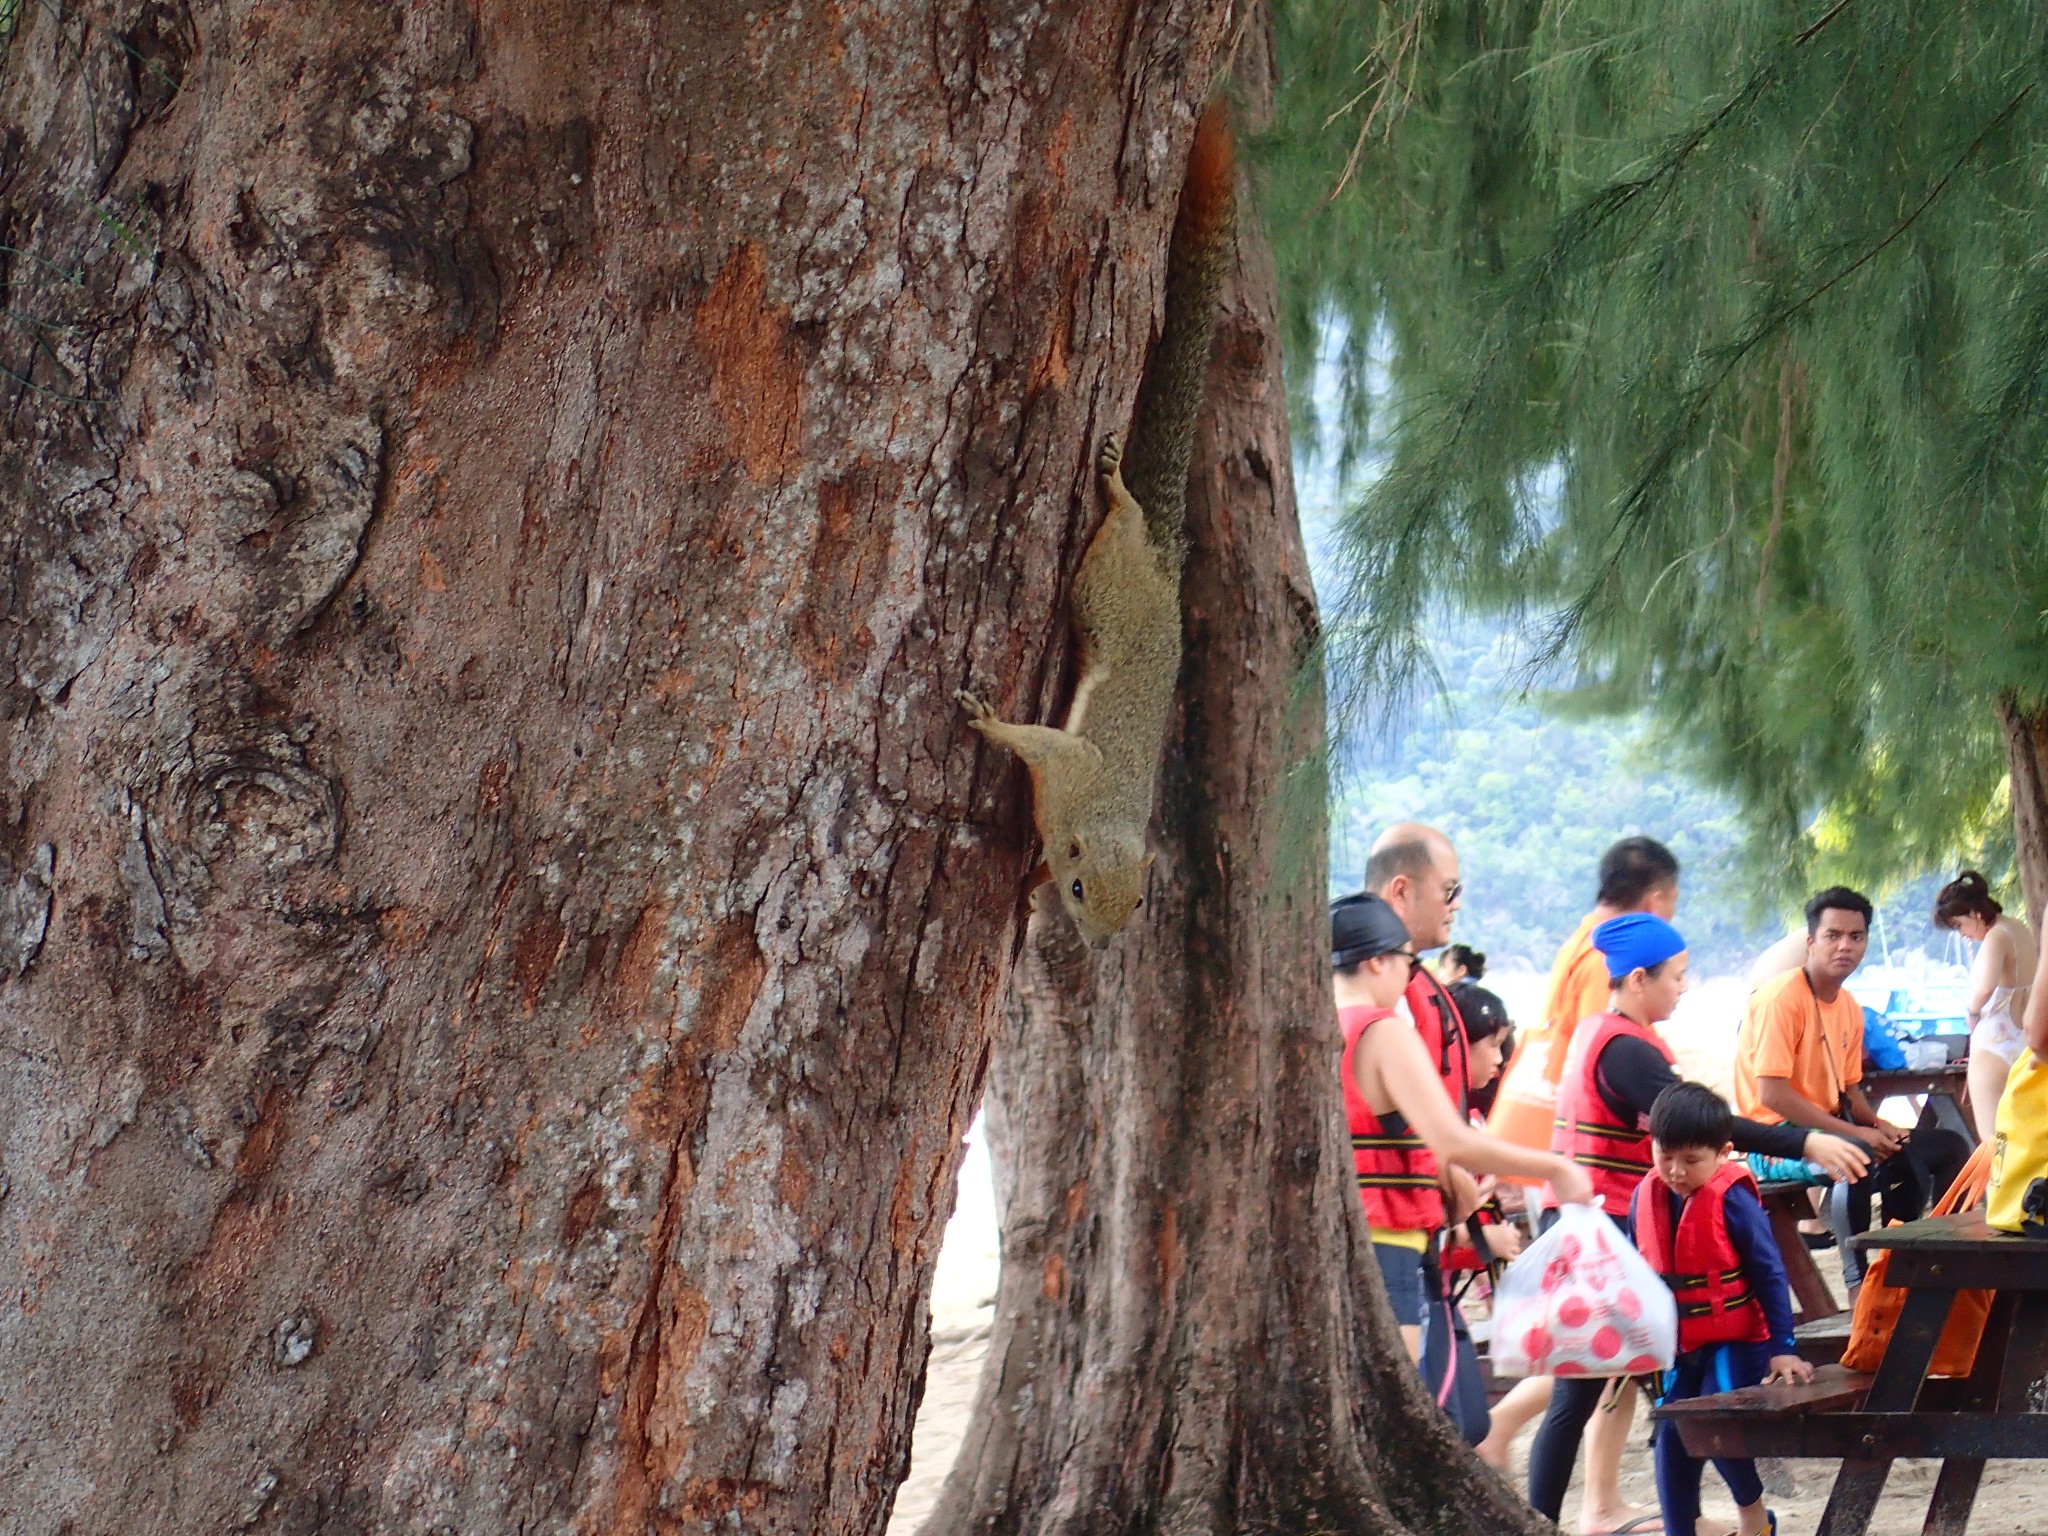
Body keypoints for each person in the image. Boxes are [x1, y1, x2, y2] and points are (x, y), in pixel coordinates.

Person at [1521, 913, 1869, 1533]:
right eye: (1677, 976)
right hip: (1603, 1229)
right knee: (1584, 1392)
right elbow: (1708, 1125)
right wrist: (1805, 1142)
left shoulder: (1599, 1034)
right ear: (1637, 979)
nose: (1684, 987)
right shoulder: (1626, 1051)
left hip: (1589, 1221)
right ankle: (1542, 1516)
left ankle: (1603, 1508)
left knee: (1632, 1394)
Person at [1333, 893, 1594, 1444]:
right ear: (1377, 960)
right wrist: (1557, 1168)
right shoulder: (1382, 1031)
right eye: (1406, 961)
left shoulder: (1314, 1028)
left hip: (1331, 1237)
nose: (1410, 977)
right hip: (1387, 1245)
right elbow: (1451, 1141)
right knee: (1394, 1421)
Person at [1733, 887, 1968, 1289]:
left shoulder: (1849, 1008)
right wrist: (1856, 1132)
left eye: (1856, 937)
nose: (1845, 946)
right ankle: (1858, 1280)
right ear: (1811, 942)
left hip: (1831, 1126)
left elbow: (1850, 1092)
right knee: (1855, 1153)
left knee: (1948, 1146)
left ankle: (1910, 1262)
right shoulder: (1779, 1000)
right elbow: (1772, 1095)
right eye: (1833, 935)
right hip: (1774, 1141)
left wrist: (1878, 1124)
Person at [1634, 1083, 1807, 1536]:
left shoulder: (1732, 1199)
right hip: (1683, 1342)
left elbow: (1771, 1274)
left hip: (1737, 1339)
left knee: (1715, 1424)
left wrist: (1783, 1347)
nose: (1675, 1171)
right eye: (1665, 1155)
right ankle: (1680, 1529)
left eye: (1691, 1161)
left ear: (1723, 1153)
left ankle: (1754, 1519)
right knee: (1672, 1433)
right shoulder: (1645, 1196)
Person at [1489, 837, 1682, 1165]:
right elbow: (1605, 1056)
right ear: (1654, 901)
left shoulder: (1579, 943)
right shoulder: (1606, 961)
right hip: (1581, 1158)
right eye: (1673, 903)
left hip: (1540, 1134)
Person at [1933, 870, 2039, 1145]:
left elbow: (1983, 988)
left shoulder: (1995, 937)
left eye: (1959, 925)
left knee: (1993, 1142)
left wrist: (1971, 1013)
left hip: (1994, 1041)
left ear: (1974, 913)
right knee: (2029, 1138)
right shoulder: (2018, 928)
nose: (1962, 934)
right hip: (2026, 1041)